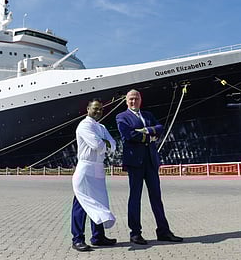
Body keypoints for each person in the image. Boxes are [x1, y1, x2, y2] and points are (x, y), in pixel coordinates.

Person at [116, 89, 183, 245]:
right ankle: (135, 233)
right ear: (126, 101)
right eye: (131, 99)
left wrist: (145, 131)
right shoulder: (121, 117)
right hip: (135, 163)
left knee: (156, 198)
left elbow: (160, 127)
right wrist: (149, 136)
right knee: (135, 197)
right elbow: (128, 135)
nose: (134, 101)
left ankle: (163, 231)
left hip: (151, 161)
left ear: (141, 100)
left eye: (136, 98)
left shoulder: (148, 115)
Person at [71, 99, 117, 252]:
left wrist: (106, 143)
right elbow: (97, 144)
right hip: (86, 167)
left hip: (98, 168)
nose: (98, 111)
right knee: (81, 204)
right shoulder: (84, 125)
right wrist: (106, 143)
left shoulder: (102, 127)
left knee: (100, 202)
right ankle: (77, 239)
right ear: (88, 109)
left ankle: (98, 236)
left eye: (101, 109)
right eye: (95, 108)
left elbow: (113, 145)